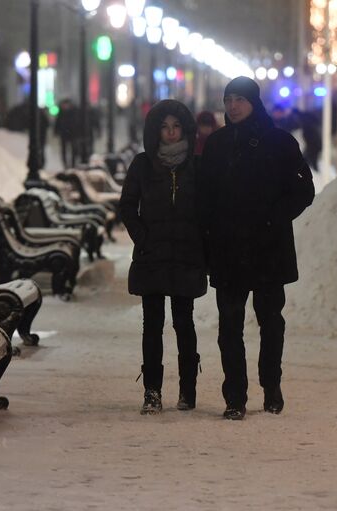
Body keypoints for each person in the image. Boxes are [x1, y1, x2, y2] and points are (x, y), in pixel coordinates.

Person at [199, 76, 314, 420]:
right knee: (229, 325)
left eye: (240, 99)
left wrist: (274, 218)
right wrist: (208, 237)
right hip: (228, 248)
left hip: (267, 247)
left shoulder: (279, 142)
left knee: (271, 322)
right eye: (228, 99)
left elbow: (303, 190)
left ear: (254, 102)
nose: (232, 106)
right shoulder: (217, 144)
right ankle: (235, 395)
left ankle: (271, 385)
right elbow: (204, 198)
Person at [119, 99, 208, 415]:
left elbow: (207, 209)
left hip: (186, 254)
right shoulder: (143, 165)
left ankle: (188, 391)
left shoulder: (196, 166)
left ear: (185, 129)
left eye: (176, 127)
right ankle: (152, 391)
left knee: (184, 323)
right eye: (165, 127)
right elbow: (127, 205)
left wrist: (200, 242)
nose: (171, 133)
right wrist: (143, 238)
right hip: (152, 256)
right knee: (152, 325)